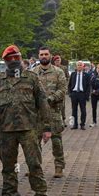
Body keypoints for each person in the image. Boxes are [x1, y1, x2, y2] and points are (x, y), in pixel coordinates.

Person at [0, 45, 52, 196]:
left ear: (20, 58)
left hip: (29, 129)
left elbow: (43, 103)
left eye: (17, 57)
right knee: (8, 167)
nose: (14, 61)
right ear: (6, 61)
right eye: (10, 59)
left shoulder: (32, 78)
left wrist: (47, 128)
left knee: (34, 165)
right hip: (6, 130)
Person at [33, 47, 67, 178]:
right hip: (37, 113)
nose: (44, 56)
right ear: (38, 56)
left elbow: (62, 90)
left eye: (46, 54)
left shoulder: (59, 72)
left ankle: (59, 167)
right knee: (35, 141)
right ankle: (35, 167)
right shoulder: (33, 72)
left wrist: (50, 99)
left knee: (56, 141)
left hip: (53, 111)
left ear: (50, 56)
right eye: (41, 54)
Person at [68, 61, 91, 130]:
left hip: (82, 94)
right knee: (74, 110)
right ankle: (75, 124)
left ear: (83, 67)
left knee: (83, 110)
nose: (79, 66)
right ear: (76, 67)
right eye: (78, 65)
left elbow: (88, 86)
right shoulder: (73, 74)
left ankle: (82, 124)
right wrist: (70, 93)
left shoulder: (86, 75)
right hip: (74, 94)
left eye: (81, 65)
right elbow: (69, 85)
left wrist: (86, 95)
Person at [53, 55, 69, 126]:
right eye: (56, 61)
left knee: (62, 106)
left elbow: (68, 78)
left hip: (61, 89)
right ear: (54, 61)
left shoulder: (64, 68)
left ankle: (63, 119)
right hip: (53, 89)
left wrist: (65, 87)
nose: (57, 62)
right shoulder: (51, 68)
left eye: (58, 60)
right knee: (53, 105)